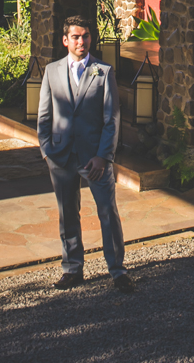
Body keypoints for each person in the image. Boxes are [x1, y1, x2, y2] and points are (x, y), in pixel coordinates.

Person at [37, 16, 133, 293]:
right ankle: (72, 268)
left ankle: (117, 270)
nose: (82, 41)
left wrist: (104, 156)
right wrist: (47, 151)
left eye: (86, 36)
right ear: (65, 40)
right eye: (76, 37)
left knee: (107, 212)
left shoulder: (104, 71)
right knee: (67, 213)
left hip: (95, 158)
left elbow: (112, 119)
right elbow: (44, 116)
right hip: (61, 156)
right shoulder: (51, 71)